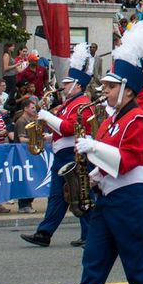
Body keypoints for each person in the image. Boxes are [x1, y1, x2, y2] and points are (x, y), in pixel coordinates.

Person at [41, 22, 143, 284]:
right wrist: (93, 174)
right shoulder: (111, 121)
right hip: (108, 199)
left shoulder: (138, 120)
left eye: (110, 87)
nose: (104, 91)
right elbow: (109, 161)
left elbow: (127, 161)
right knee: (93, 263)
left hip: (131, 200)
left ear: (127, 89)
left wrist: (93, 148)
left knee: (139, 269)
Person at [23, 44, 99, 249]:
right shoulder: (69, 103)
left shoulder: (82, 103)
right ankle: (44, 233)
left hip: (74, 154)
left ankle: (91, 234)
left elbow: (68, 128)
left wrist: (47, 117)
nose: (63, 86)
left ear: (78, 85)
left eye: (67, 83)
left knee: (81, 194)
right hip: (62, 153)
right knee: (58, 196)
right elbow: (62, 129)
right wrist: (49, 136)